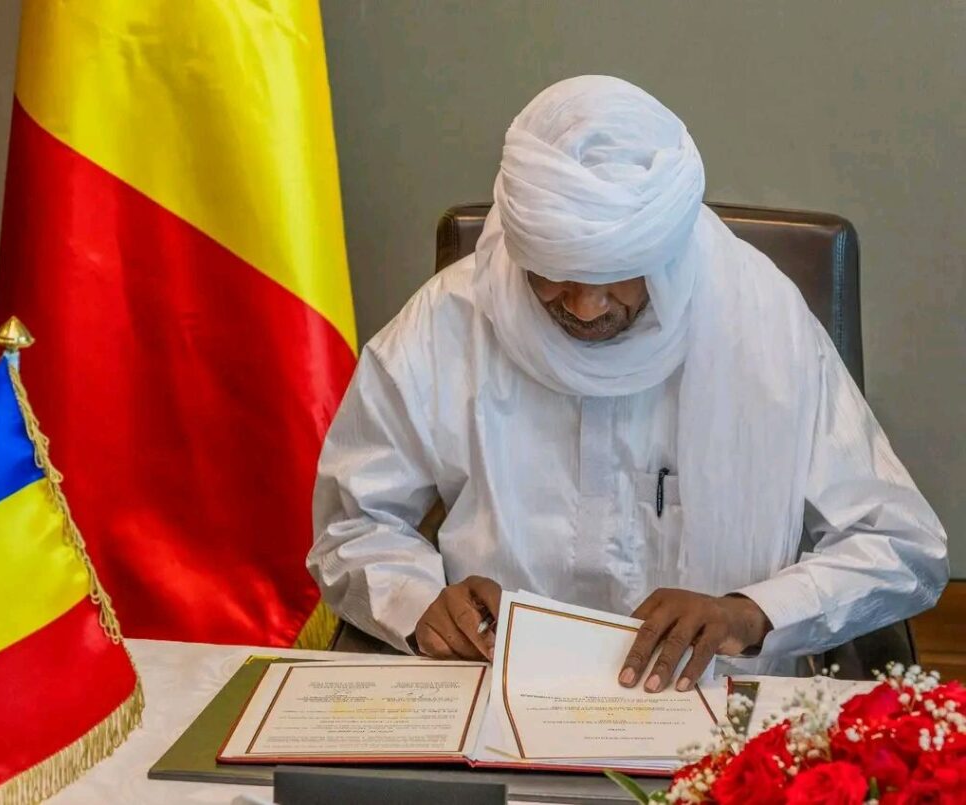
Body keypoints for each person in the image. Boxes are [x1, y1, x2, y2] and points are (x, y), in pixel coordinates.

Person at [307, 75, 948, 689]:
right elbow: (351, 526)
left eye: (616, 274)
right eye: (555, 274)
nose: (585, 307)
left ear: (667, 252)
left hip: (711, 700)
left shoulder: (765, 327)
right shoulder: (448, 321)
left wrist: (749, 614)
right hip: (497, 685)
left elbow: (900, 546)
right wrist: (419, 602)